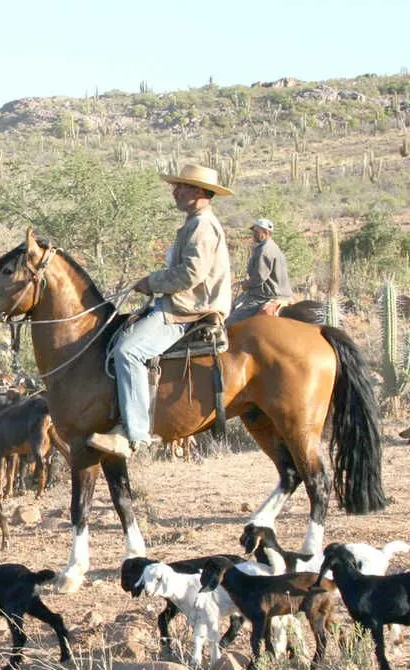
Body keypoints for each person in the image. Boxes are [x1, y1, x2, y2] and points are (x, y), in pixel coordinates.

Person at [87, 164, 233, 459]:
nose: (175, 191)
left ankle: (136, 435)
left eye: (181, 186)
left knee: (128, 351)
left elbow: (190, 274)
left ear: (198, 192)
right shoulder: (195, 222)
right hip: (181, 303)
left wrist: (152, 281)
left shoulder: (202, 225)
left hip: (188, 309)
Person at [225, 218, 292, 326]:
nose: (254, 234)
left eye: (256, 232)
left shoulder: (264, 250)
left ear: (265, 232)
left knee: (230, 322)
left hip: (264, 296)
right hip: (281, 293)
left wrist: (246, 284)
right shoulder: (273, 247)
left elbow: (259, 278)